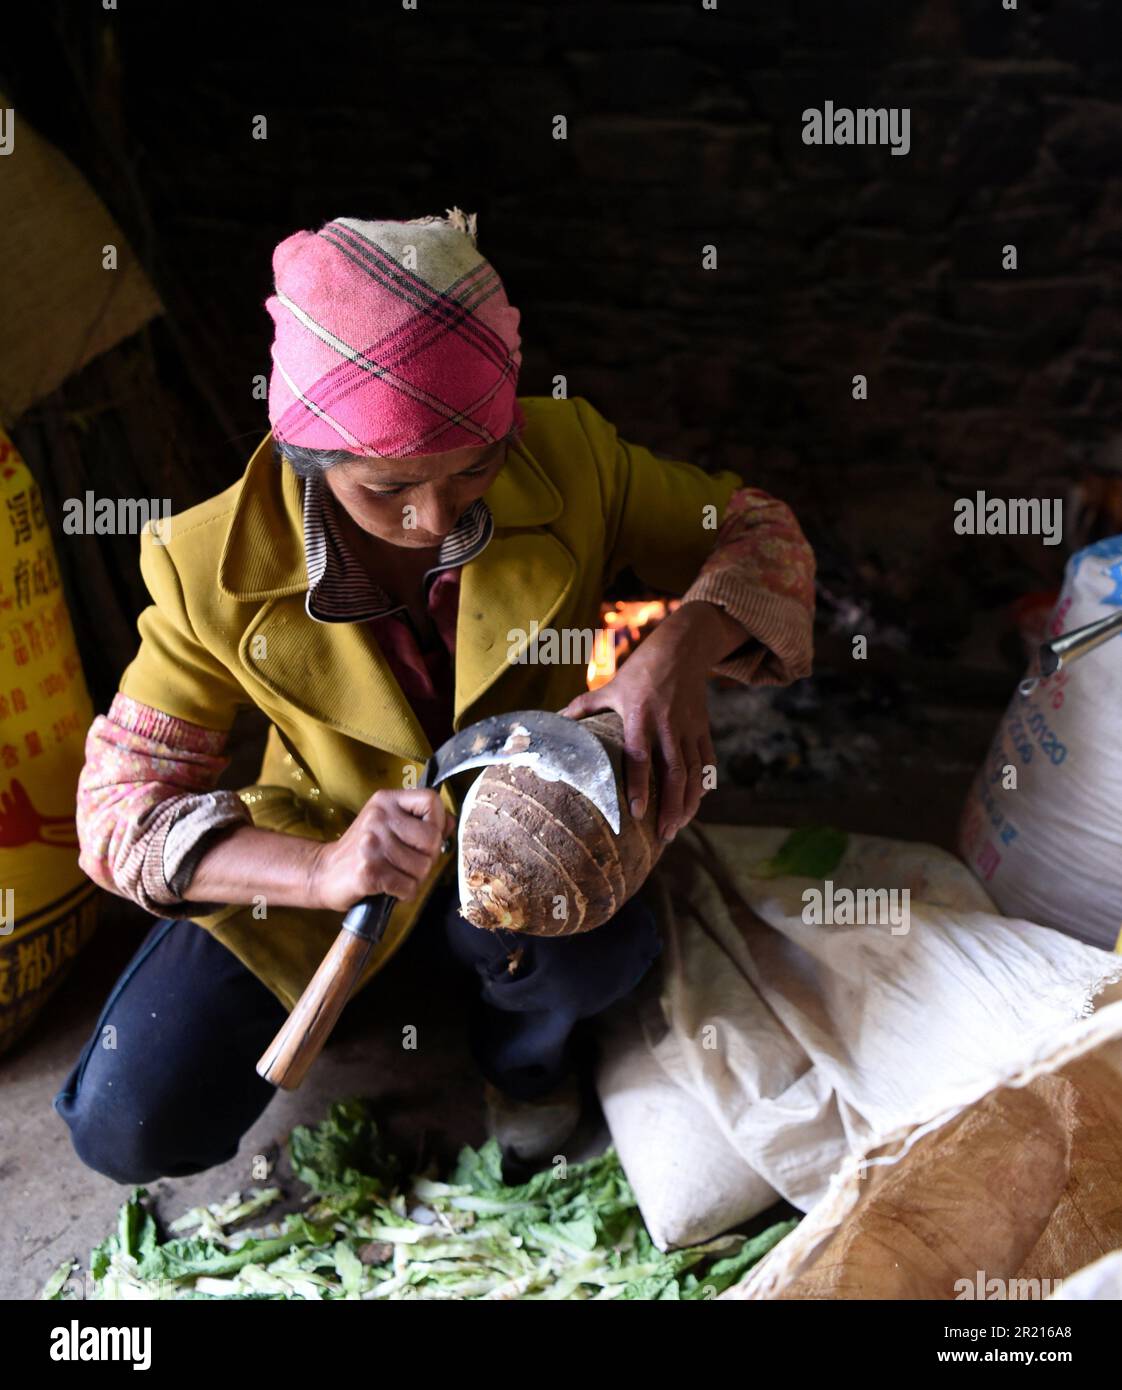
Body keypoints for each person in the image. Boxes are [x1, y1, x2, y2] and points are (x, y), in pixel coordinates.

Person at [54, 208, 816, 1184]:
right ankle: (395, 989)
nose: (436, 518)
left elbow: (764, 532)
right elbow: (119, 808)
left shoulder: (572, 456)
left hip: (539, 839)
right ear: (311, 461)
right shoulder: (210, 564)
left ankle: (523, 1057)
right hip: (328, 851)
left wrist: (673, 652)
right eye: (387, 489)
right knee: (129, 1121)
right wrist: (322, 869)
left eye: (475, 467)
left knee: (588, 953)